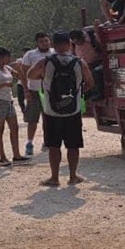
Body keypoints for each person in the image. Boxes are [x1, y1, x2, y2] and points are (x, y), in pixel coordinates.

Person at [28, 31, 94, 187]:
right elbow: (90, 82)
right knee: (73, 145)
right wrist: (79, 92)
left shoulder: (45, 62)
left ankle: (54, 178)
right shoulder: (80, 62)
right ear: (68, 44)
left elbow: (31, 75)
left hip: (52, 111)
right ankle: (73, 176)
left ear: (54, 45)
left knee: (53, 145)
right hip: (73, 110)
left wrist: (44, 78)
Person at [0, 48, 29, 166]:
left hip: (8, 100)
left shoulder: (8, 68)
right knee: (0, 129)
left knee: (14, 127)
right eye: (7, 57)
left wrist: (18, 67)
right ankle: (2, 157)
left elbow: (21, 77)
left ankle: (16, 155)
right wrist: (3, 84)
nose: (8, 59)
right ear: (1, 57)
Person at [16, 32, 52, 157]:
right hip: (34, 91)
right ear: (37, 43)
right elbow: (24, 74)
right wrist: (26, 90)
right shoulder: (30, 55)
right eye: (42, 41)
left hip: (50, 91)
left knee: (48, 118)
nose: (45, 43)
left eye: (46, 40)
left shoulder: (53, 53)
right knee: (33, 119)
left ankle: (47, 142)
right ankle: (29, 143)